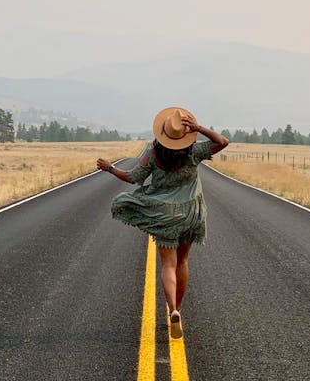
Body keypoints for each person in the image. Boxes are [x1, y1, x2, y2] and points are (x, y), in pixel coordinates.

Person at [97, 107, 229, 339]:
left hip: (164, 215)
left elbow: (132, 178)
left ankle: (172, 310)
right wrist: (198, 129)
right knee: (183, 261)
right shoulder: (193, 151)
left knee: (168, 265)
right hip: (191, 213)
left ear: (162, 133)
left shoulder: (153, 153)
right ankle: (179, 307)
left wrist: (110, 168)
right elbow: (223, 142)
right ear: (184, 134)